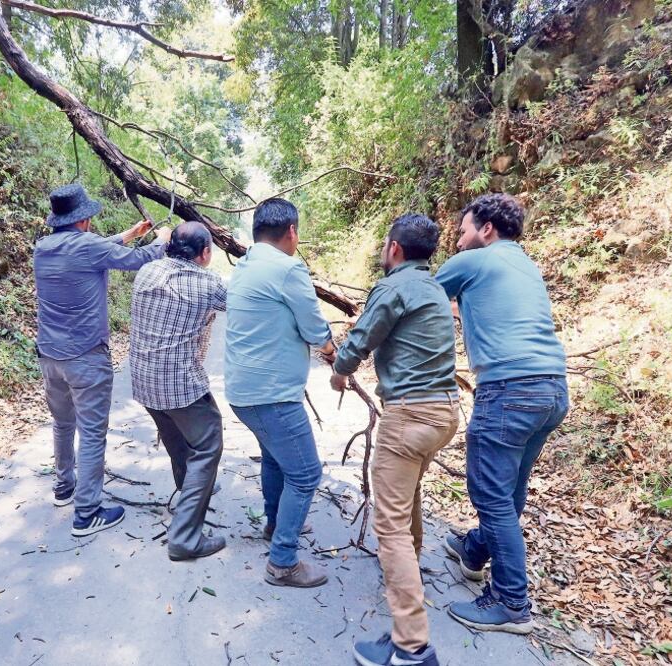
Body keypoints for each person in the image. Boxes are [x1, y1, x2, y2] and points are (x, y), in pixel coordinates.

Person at [436, 194, 568, 634]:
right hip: (551, 390)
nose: (458, 239)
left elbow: (415, 296)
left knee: (492, 496)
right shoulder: (524, 265)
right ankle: (474, 551)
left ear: (486, 229)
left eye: (462, 230)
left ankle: (512, 603)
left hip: (509, 391)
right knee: (509, 489)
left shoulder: (475, 262)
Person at [330, 214, 459, 666]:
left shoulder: (393, 287)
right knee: (408, 500)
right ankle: (411, 579)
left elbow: (362, 339)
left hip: (409, 415)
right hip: (444, 413)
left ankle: (411, 646)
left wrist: (339, 372)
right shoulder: (437, 288)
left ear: (395, 250)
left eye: (385, 246)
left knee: (389, 526)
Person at [34, 183, 171, 538]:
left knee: (63, 424)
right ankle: (87, 513)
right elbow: (141, 260)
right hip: (86, 358)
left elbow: (94, 250)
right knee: (92, 433)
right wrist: (164, 241)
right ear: (83, 220)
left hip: (50, 357)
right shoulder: (88, 246)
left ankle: (64, 488)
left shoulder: (43, 247)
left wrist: (129, 233)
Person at [225, 198, 335, 588]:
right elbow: (314, 327)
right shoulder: (288, 269)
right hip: (271, 395)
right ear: (291, 232)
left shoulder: (244, 265)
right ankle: (283, 562)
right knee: (306, 473)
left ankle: (275, 525)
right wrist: (332, 350)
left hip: (243, 392)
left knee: (275, 460)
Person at [129, 221, 228, 561]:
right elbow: (246, 303)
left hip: (143, 382)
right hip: (180, 385)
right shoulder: (209, 283)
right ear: (205, 254)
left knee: (177, 442)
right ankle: (185, 538)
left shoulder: (146, 272)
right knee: (208, 441)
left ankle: (190, 494)